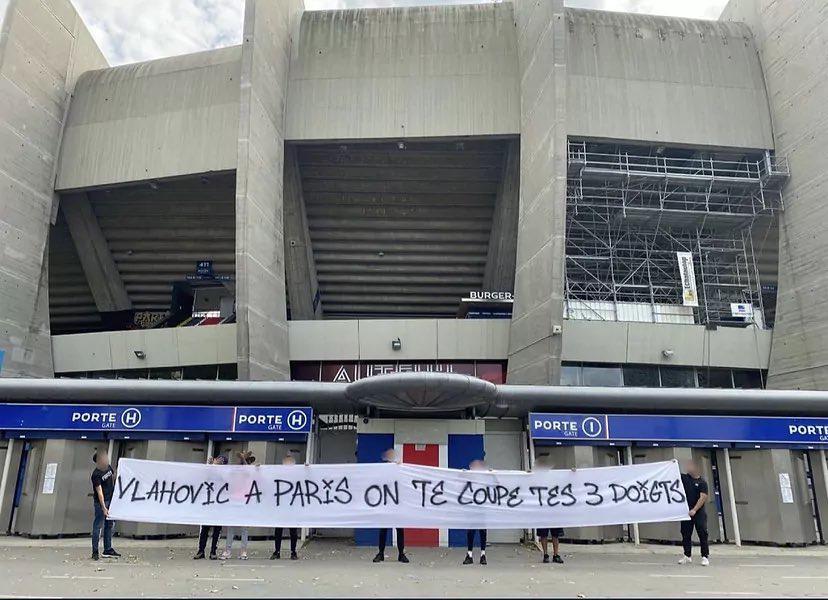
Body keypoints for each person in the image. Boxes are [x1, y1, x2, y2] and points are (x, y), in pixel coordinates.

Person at [373, 448, 409, 563]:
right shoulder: (383, 469)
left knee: (399, 530)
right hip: (386, 503)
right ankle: (381, 553)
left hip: (397, 504)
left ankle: (401, 553)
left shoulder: (400, 469)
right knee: (383, 529)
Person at [221, 450, 256, 560]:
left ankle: (243, 551)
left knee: (244, 528)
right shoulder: (234, 473)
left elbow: (247, 472)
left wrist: (244, 459)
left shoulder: (249, 473)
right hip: (233, 502)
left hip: (245, 502)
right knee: (231, 527)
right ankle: (228, 550)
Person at [194, 455, 227, 560]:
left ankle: (213, 551)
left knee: (217, 530)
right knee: (204, 529)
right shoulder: (210, 471)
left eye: (221, 461)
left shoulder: (224, 474)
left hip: (219, 506)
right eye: (218, 459)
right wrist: (209, 466)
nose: (218, 461)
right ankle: (201, 550)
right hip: (208, 505)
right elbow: (203, 479)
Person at [533, 454, 564, 564]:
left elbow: (567, 480)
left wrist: (573, 472)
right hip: (542, 509)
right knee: (543, 534)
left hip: (554, 508)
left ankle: (556, 554)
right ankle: (545, 554)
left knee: (555, 534)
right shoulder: (536, 476)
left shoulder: (555, 476)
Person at [678, 459, 710, 567]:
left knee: (702, 533)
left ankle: (705, 556)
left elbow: (703, 497)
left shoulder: (702, 483)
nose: (688, 468)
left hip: (698, 512)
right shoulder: (685, 478)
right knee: (685, 533)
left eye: (690, 466)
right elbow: (673, 473)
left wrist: (695, 510)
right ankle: (687, 555)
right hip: (686, 512)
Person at [91, 451, 120, 561]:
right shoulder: (96, 474)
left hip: (111, 500)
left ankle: (108, 549)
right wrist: (104, 508)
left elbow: (112, 478)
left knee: (109, 525)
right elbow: (99, 492)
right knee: (98, 526)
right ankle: (95, 551)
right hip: (101, 503)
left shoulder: (108, 467)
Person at [272, 454, 300, 560]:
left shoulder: (297, 476)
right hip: (281, 507)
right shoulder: (278, 475)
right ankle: (277, 551)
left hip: (292, 507)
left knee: (293, 531)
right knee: (278, 530)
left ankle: (293, 551)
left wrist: (307, 468)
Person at [464, 459, 488, 565]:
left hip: (481, 508)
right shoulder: (469, 478)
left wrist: (492, 473)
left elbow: (496, 483)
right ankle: (469, 554)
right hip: (472, 508)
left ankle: (483, 554)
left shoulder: (484, 478)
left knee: (482, 531)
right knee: (471, 531)